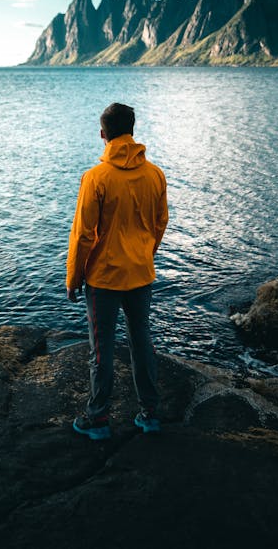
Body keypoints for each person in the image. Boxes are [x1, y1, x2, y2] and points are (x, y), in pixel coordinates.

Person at [66, 102, 168, 440]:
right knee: (142, 343)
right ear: (132, 131)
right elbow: (160, 223)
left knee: (101, 350)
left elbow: (83, 234)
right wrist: (143, 254)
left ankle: (98, 418)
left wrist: (74, 277)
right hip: (140, 274)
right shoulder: (155, 175)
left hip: (105, 279)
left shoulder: (95, 178)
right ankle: (150, 414)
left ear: (102, 134)